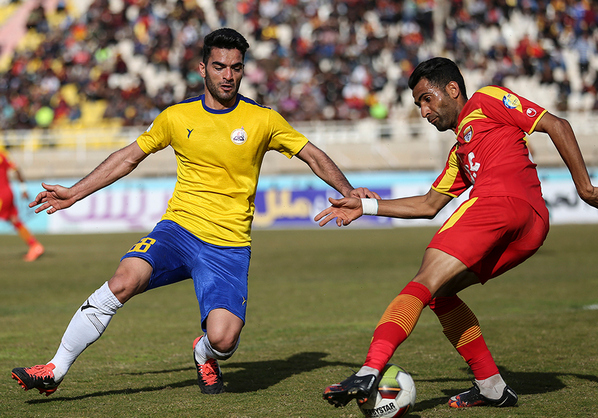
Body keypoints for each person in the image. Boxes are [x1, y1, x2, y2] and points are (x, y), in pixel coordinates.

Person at [11, 28, 377, 397]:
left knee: (224, 339)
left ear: (243, 69)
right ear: (203, 68)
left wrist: (347, 192)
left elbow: (311, 153)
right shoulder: (176, 116)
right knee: (123, 280)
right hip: (178, 230)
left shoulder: (263, 120)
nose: (228, 76)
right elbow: (128, 158)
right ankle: (54, 369)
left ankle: (204, 352)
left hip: (228, 245)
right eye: (219, 67)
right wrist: (75, 192)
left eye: (236, 67)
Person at [316, 57, 598, 409]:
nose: (424, 110)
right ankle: (491, 385)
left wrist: (584, 187)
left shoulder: (486, 100)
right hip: (532, 226)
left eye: (426, 98)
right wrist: (367, 207)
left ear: (452, 89)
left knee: (424, 280)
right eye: (419, 104)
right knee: (441, 294)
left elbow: (557, 124)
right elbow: (429, 204)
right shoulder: (459, 153)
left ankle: (370, 370)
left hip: (500, 203)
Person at [0, 147, 44, 262]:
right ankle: (35, 246)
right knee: (14, 219)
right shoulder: (3, 153)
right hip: (7, 193)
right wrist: (23, 188)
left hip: (1, 195)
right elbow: (16, 170)